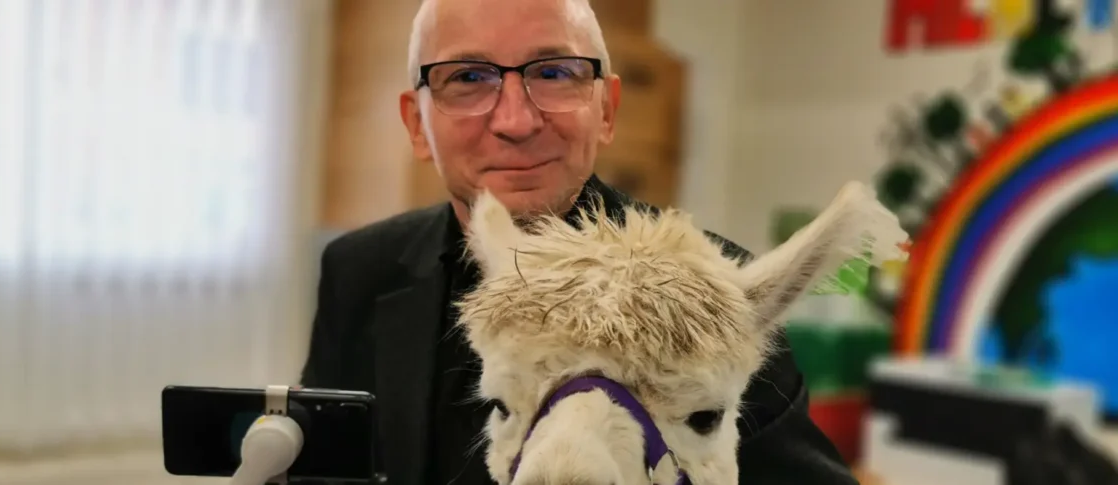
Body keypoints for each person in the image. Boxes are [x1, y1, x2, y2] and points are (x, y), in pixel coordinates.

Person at [300, 0, 860, 484]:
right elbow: (321, 468)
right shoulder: (359, 270)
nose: (516, 121)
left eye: (554, 73)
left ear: (607, 109)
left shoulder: (715, 294)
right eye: (467, 78)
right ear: (417, 124)